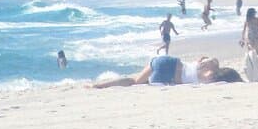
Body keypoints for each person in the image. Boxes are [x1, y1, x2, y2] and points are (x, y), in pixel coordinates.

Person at [92, 56, 241, 88]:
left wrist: (204, 62)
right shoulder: (211, 78)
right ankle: (99, 86)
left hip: (168, 61)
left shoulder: (207, 65)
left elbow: (211, 59)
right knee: (134, 82)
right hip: (167, 75)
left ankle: (98, 85)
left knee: (135, 80)